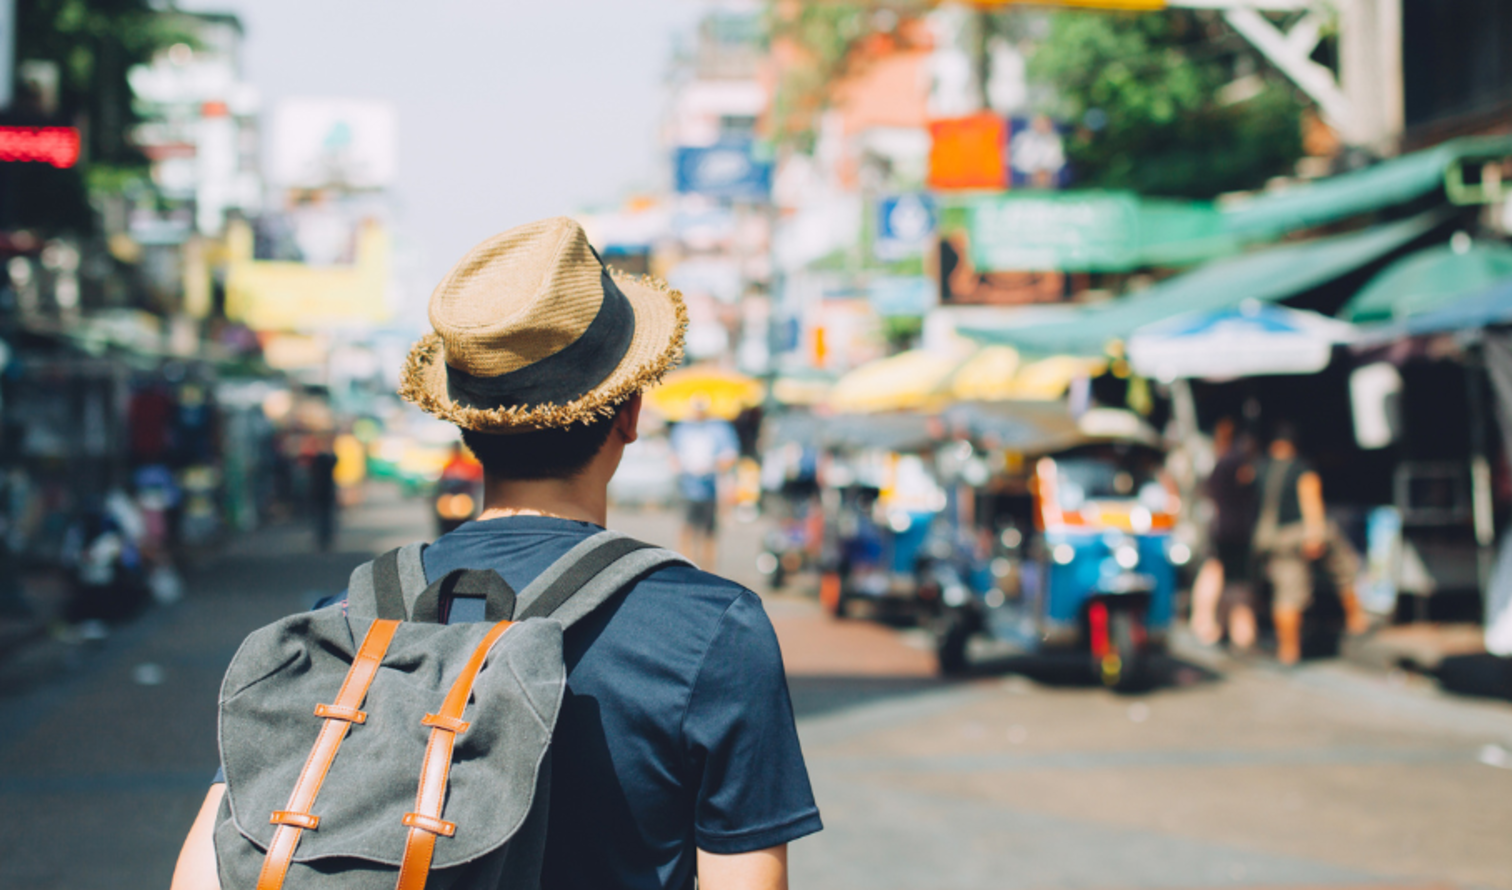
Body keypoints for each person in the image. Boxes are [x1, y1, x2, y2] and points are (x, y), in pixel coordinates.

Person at [170, 217, 818, 890]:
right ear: (628, 413)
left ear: (463, 422)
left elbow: (200, 875)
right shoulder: (711, 630)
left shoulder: (349, 624)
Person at [1251, 422, 1369, 666]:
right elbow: (1311, 500)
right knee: (1344, 568)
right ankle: (1356, 619)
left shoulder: (1259, 468)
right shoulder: (1301, 468)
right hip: (1299, 533)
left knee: (1286, 592)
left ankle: (1288, 651)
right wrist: (1315, 533)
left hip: (1271, 539)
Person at [1189, 418, 1259, 651]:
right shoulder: (1235, 463)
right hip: (1235, 530)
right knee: (1233, 580)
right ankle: (1236, 631)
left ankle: (1215, 625)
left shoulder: (1217, 463)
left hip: (1219, 527)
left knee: (1220, 575)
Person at [669, 396, 739, 569]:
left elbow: (731, 455)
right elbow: (672, 456)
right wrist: (685, 465)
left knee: (709, 533)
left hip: (711, 488)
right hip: (687, 487)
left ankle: (708, 572)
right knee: (687, 530)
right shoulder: (682, 428)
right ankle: (685, 570)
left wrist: (712, 464)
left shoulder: (719, 428)